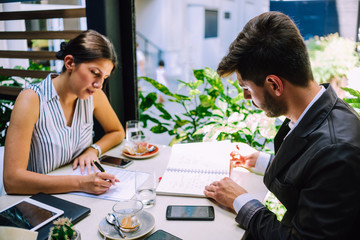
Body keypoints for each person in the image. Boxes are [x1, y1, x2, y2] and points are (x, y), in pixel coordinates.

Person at [204, 11, 360, 239]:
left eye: (246, 88)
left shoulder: (337, 154)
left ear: (274, 84)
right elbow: (310, 175)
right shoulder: (322, 111)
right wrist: (261, 161)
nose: (247, 98)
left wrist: (241, 201)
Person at [4, 30, 125, 195]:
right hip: (40, 201)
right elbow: (12, 181)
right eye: (94, 73)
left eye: (104, 77)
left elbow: (117, 132)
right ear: (69, 63)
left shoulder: (94, 96)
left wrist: (93, 150)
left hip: (79, 196)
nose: (99, 85)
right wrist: (81, 183)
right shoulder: (31, 100)